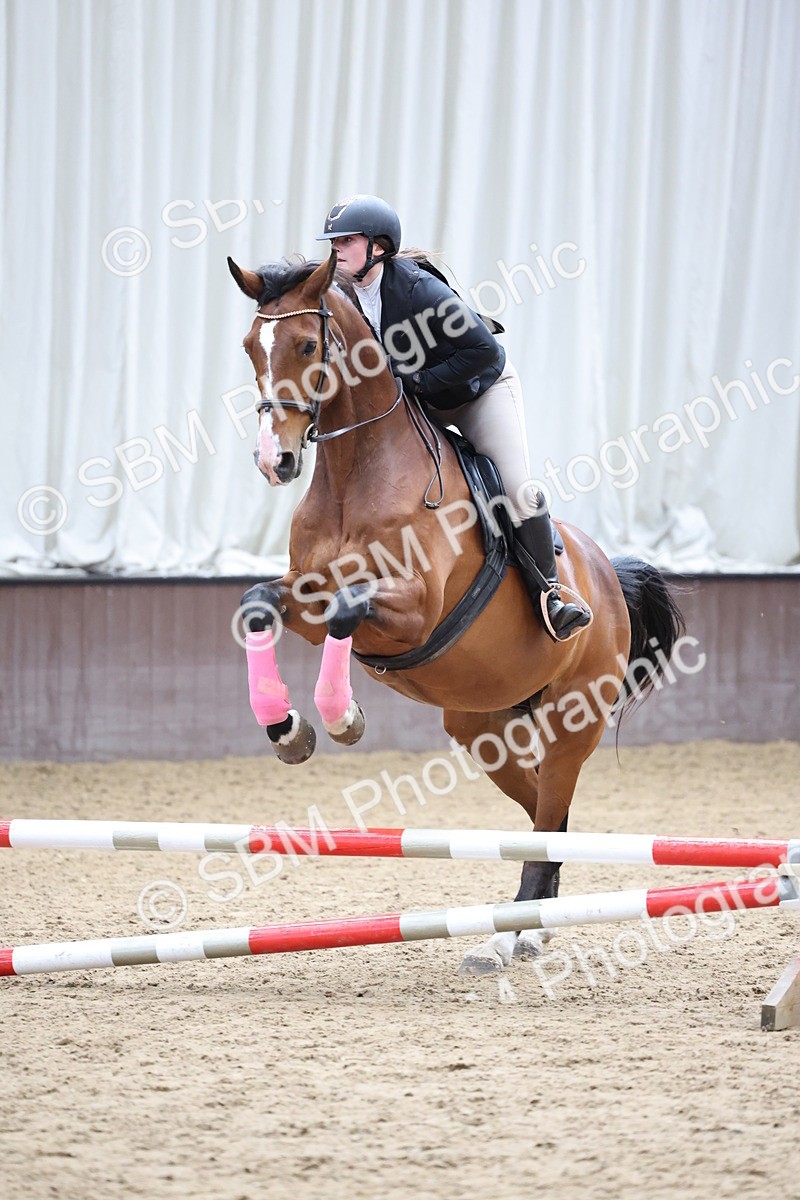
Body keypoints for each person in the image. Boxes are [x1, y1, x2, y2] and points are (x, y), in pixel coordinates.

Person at [317, 194, 591, 642]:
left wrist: (420, 382)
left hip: (480, 391)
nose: (336, 250)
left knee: (518, 489)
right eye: (333, 242)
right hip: (418, 401)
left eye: (346, 240)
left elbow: (485, 350)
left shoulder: (417, 289)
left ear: (378, 247)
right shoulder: (342, 293)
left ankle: (552, 595)